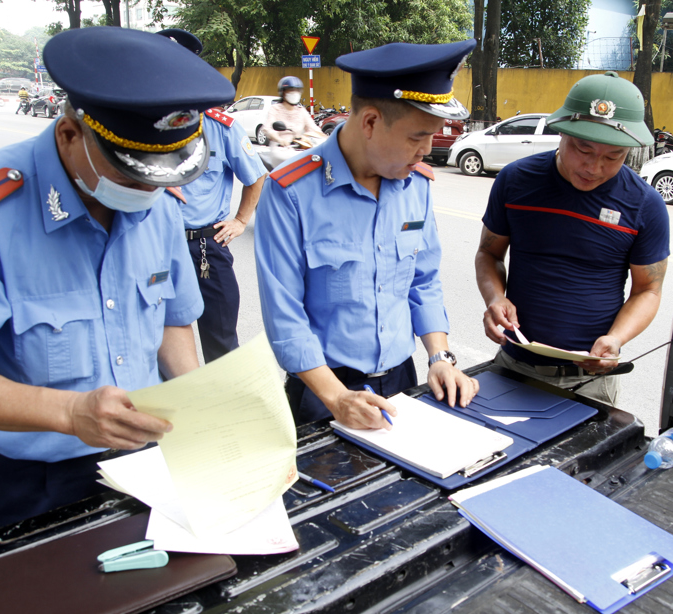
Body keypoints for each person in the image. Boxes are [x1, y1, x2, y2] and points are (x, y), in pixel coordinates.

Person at [0, 26, 235, 533]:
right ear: (71, 135)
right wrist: (70, 413)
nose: (147, 193)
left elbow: (172, 320)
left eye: (161, 179)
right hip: (31, 484)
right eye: (133, 175)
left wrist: (197, 405)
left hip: (147, 461)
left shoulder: (154, 206)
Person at [255, 40, 481, 430]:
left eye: (433, 136)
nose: (427, 151)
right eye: (417, 137)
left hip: (400, 382)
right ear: (371, 122)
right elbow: (284, 315)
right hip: (323, 391)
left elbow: (423, 281)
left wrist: (439, 357)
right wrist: (336, 397)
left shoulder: (417, 185)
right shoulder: (290, 191)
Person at [475, 71, 670, 406]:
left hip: (590, 384)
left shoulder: (645, 205)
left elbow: (647, 289)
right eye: (583, 149)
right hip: (511, 365)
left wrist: (616, 339)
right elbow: (488, 254)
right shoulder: (516, 181)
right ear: (562, 132)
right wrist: (495, 298)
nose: (594, 166)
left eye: (613, 157)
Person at [158, 28, 268, 362]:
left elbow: (256, 176)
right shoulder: (136, 127)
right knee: (153, 342)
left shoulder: (221, 127)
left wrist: (239, 220)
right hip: (154, 246)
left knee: (221, 344)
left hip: (204, 248)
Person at [264, 76, 326, 147]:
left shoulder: (301, 110)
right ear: (283, 92)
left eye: (297, 90)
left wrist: (325, 138)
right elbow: (268, 128)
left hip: (299, 147)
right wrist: (279, 140)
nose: (295, 93)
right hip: (280, 148)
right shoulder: (275, 109)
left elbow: (313, 128)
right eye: (291, 90)